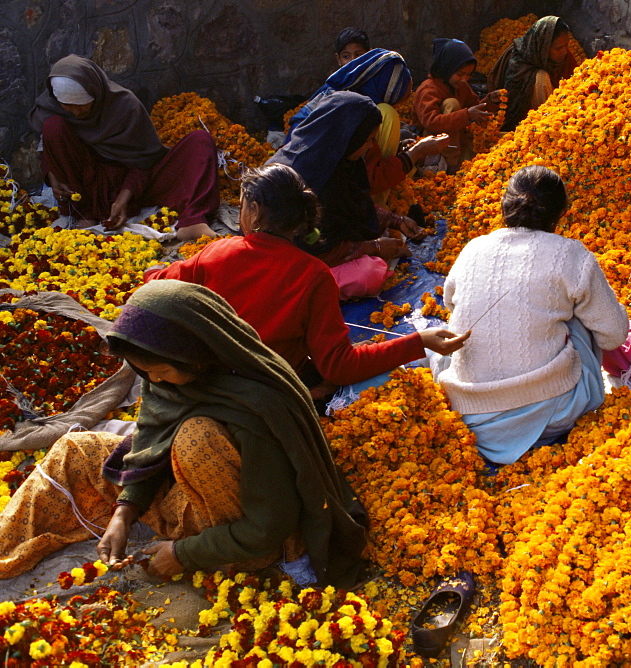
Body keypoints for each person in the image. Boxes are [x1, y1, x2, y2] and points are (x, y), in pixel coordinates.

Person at [0, 280, 368, 587]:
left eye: (161, 372)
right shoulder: (171, 378)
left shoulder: (257, 404)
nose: (155, 382)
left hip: (250, 531)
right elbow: (149, 439)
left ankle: (242, 561)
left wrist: (181, 555)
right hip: (187, 484)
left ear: (196, 354)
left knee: (196, 439)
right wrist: (124, 511)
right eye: (147, 374)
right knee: (74, 449)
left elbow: (270, 525)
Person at [146, 164, 468, 399]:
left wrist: (152, 273)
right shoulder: (313, 275)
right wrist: (419, 341)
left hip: (211, 386)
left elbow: (156, 285)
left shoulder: (217, 253)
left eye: (242, 206)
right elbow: (338, 367)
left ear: (255, 212)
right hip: (266, 393)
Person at [432, 165, 628, 465]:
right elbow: (613, 335)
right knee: (578, 318)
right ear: (560, 212)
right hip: (556, 411)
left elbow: (450, 306)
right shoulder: (571, 255)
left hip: (470, 415)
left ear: (505, 205)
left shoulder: (473, 249)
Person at [29, 55, 219, 241]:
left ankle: (193, 220)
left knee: (200, 141)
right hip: (87, 186)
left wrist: (123, 199)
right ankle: (84, 214)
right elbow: (50, 146)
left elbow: (144, 160)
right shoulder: (52, 109)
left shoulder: (125, 106)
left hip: (135, 183)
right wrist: (53, 175)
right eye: (68, 106)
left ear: (96, 93)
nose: (76, 112)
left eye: (82, 105)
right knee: (53, 127)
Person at [268, 91, 427, 295]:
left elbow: (352, 201)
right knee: (369, 274)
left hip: (319, 242)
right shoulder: (307, 178)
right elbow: (312, 247)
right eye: (369, 139)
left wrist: (393, 219)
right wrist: (373, 247)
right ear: (348, 136)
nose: (371, 146)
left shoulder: (339, 160)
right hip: (287, 261)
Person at [285, 48, 449, 202]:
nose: (372, 143)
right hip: (310, 202)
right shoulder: (352, 116)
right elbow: (367, 179)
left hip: (303, 192)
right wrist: (416, 152)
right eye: (396, 103)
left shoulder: (336, 99)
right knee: (387, 115)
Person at [412, 39, 500, 173]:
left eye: (468, 75)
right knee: (452, 104)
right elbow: (431, 122)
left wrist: (491, 101)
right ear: (446, 67)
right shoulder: (428, 89)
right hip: (433, 150)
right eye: (460, 74)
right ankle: (450, 166)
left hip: (457, 144)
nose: (464, 79)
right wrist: (467, 115)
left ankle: (458, 163)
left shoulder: (461, 87)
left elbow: (476, 108)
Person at [490, 16, 577, 131]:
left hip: (565, 114)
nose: (564, 51)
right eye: (558, 48)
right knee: (541, 78)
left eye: (566, 45)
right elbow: (514, 102)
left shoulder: (566, 57)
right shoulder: (521, 60)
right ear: (544, 47)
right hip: (529, 121)